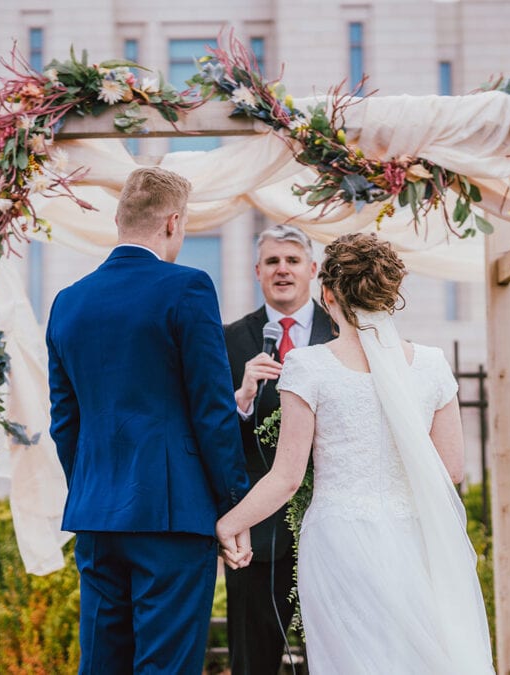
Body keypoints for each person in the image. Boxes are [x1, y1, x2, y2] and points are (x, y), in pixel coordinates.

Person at [216, 233, 495, 674]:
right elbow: (452, 470)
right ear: (390, 294)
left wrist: (230, 522)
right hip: (413, 537)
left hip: (338, 541)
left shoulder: (308, 366)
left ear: (327, 293)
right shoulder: (431, 363)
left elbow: (286, 478)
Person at [46, 167, 252, 674]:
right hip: (173, 516)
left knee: (103, 665)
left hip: (96, 514)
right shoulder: (187, 288)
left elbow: (64, 420)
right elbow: (212, 408)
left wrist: (94, 487)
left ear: (118, 220)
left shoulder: (67, 301)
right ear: (173, 223)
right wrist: (234, 505)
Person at [222, 224, 334, 675]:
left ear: (312, 269)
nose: (282, 269)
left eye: (291, 260)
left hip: (330, 524)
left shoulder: (344, 333)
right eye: (272, 261)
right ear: (257, 272)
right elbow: (210, 434)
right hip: (256, 529)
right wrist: (242, 399)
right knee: (252, 659)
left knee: (331, 655)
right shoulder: (229, 339)